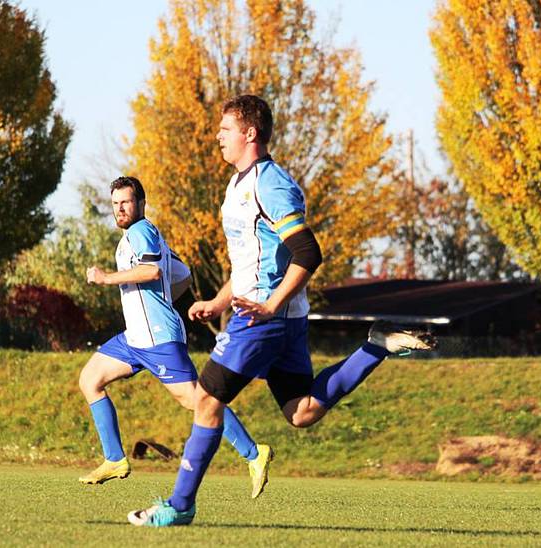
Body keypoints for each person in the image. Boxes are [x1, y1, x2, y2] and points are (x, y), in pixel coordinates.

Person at [127, 95, 436, 527]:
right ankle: (375, 346)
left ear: (250, 133)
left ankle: (179, 506)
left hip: (262, 321)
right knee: (302, 411)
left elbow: (307, 251)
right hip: (278, 319)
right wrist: (218, 301)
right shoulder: (239, 184)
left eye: (225, 129)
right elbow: (256, 259)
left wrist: (270, 305)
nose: (218, 136)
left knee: (205, 399)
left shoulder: (269, 183)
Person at [78, 176, 273, 499]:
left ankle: (255, 453)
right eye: (115, 204)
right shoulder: (142, 237)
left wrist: (106, 278)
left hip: (157, 338)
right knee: (90, 379)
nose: (120, 209)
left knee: (199, 400)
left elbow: (153, 272)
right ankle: (114, 459)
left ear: (141, 203)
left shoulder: (142, 231)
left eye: (126, 202)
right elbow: (180, 275)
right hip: (135, 338)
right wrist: (162, 300)